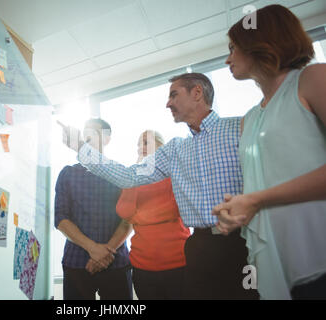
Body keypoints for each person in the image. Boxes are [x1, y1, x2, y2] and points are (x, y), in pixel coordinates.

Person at [60, 73, 259, 299]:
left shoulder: (240, 128)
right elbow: (129, 176)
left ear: (197, 93)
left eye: (174, 95)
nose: (168, 103)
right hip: (200, 247)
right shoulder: (175, 150)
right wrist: (80, 146)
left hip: (243, 242)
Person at [212, 4, 326, 300]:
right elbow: (264, 182)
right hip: (279, 266)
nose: (228, 58)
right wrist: (238, 210)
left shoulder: (313, 78)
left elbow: (261, 194)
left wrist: (255, 199)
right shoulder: (248, 118)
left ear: (260, 43)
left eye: (234, 48)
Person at [54, 118, 133, 300]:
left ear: (107, 139)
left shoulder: (121, 173)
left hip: (116, 263)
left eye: (93, 132)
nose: (87, 136)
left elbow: (129, 219)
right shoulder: (67, 173)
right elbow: (60, 219)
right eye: (85, 132)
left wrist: (105, 252)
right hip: (76, 263)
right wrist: (94, 249)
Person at [116, 130, 190, 299]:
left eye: (146, 142)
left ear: (161, 147)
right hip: (143, 266)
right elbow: (125, 212)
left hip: (177, 263)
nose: (140, 147)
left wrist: (140, 217)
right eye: (138, 144)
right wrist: (135, 173)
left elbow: (177, 210)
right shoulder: (132, 177)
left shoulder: (175, 175)